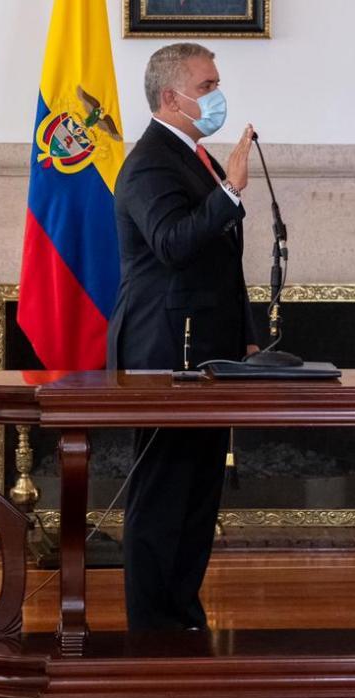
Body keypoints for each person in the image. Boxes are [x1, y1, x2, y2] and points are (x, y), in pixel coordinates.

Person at [107, 42, 258, 630]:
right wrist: (229, 193)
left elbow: (221, 262)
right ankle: (151, 626)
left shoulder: (197, 157)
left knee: (199, 494)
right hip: (164, 349)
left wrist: (245, 336)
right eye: (207, 86)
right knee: (163, 494)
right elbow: (172, 243)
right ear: (170, 97)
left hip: (209, 349)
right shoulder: (148, 163)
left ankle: (183, 613)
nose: (217, 96)